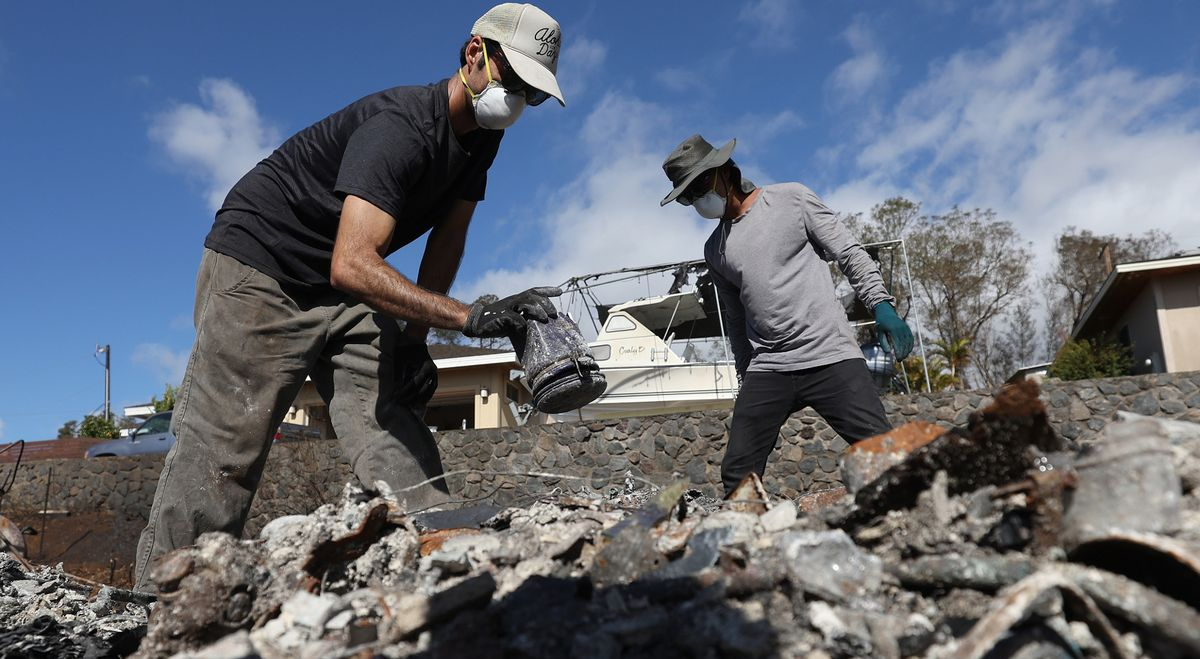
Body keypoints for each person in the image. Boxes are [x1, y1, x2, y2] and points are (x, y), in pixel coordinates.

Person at [134, 3, 567, 591]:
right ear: (474, 55)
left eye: (531, 95)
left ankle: (442, 563)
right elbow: (353, 262)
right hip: (264, 264)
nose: (516, 101)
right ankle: (161, 604)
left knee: (388, 406)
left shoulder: (481, 141)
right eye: (511, 81)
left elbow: (448, 241)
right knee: (226, 449)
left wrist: (415, 345)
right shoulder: (401, 126)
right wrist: (468, 317)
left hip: (345, 278)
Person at [660, 135, 914, 496]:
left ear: (722, 173)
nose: (696, 200)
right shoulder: (715, 249)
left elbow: (850, 253)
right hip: (770, 368)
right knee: (738, 472)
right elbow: (735, 316)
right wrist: (745, 373)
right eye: (687, 197)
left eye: (698, 187)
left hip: (830, 354)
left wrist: (882, 306)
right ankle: (752, 541)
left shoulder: (792, 199)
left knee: (886, 457)